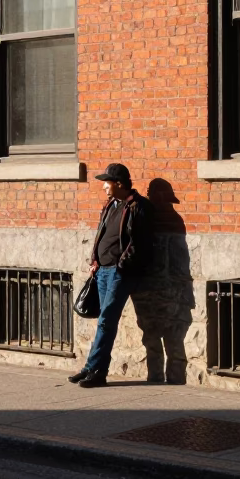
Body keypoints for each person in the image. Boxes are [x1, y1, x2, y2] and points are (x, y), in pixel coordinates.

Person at [69, 163, 153, 388]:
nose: (104, 187)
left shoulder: (137, 206)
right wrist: (95, 260)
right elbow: (101, 234)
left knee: (107, 320)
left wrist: (121, 265)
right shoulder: (110, 205)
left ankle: (97, 371)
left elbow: (139, 242)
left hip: (119, 272)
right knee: (104, 321)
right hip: (102, 270)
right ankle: (92, 368)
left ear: (119, 183)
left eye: (107, 182)